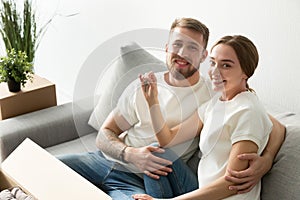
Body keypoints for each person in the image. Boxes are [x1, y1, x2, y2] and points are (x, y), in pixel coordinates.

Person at [58, 18, 285, 199]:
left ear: (203, 55)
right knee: (43, 167)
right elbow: (105, 134)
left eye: (192, 47)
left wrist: (266, 160)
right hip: (106, 161)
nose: (183, 53)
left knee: (158, 151)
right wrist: (131, 154)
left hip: (147, 179)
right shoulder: (145, 85)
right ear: (167, 48)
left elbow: (270, 122)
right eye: (178, 44)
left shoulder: (213, 91)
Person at [133, 35, 280, 200]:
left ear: (246, 72)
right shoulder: (217, 102)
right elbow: (167, 140)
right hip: (204, 191)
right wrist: (152, 102)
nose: (214, 72)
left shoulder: (248, 111)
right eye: (212, 63)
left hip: (224, 196)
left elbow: (230, 185)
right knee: (156, 153)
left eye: (226, 65)